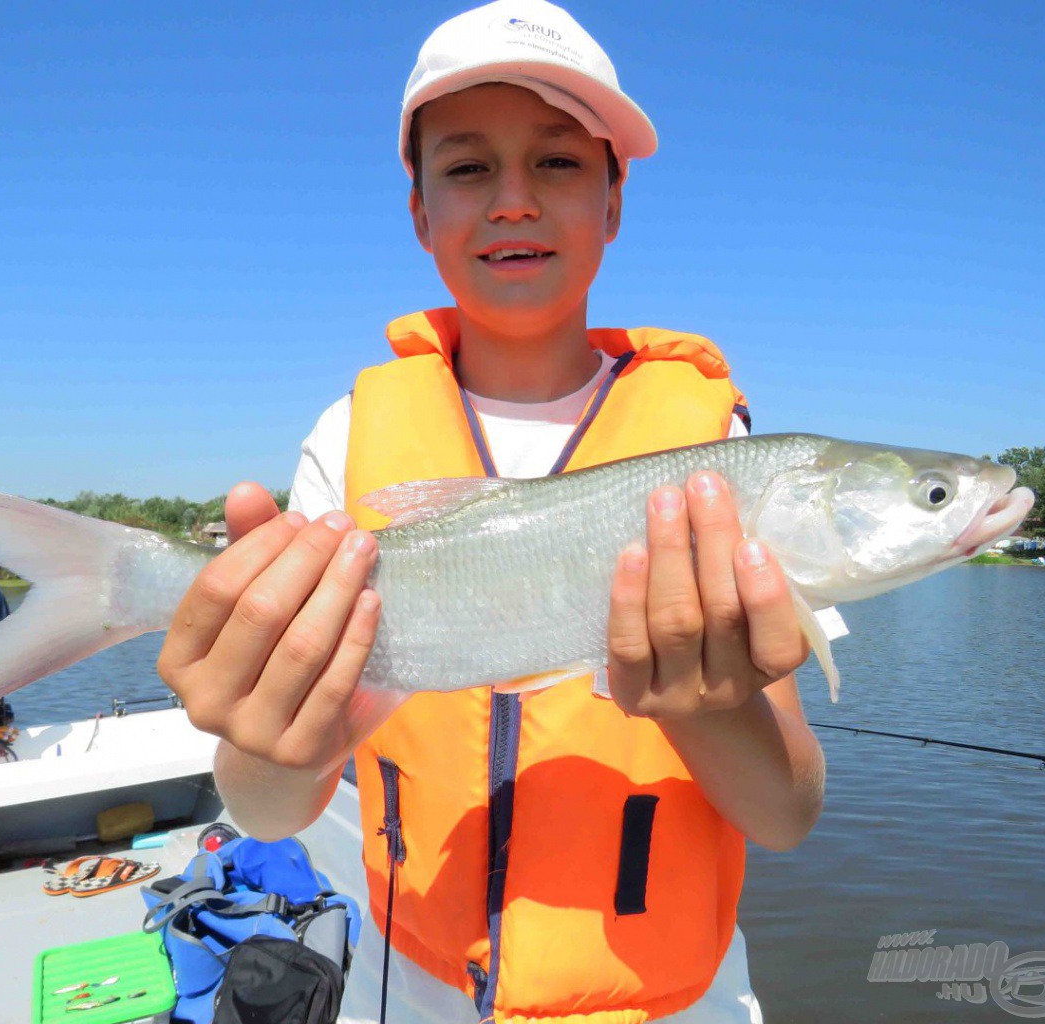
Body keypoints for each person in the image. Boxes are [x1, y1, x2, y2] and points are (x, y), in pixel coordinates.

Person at [157, 2, 826, 1021]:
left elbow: (783, 813)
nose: (511, 201)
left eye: (556, 163)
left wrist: (708, 696)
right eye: (468, 168)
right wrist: (275, 732)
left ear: (612, 201)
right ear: (419, 211)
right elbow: (264, 807)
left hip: (672, 997)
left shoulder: (719, 461)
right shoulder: (347, 437)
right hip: (414, 980)